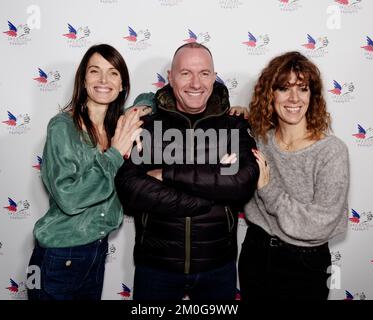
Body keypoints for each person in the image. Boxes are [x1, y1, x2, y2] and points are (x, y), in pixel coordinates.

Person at [115, 43, 259, 301]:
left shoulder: (234, 126)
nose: (196, 83)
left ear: (214, 77)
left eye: (204, 73)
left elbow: (242, 182)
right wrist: (209, 195)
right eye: (185, 73)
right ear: (170, 77)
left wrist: (167, 175)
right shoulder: (147, 126)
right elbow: (129, 187)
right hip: (156, 268)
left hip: (217, 267)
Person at [26, 44, 143, 300]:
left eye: (113, 73)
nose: (103, 80)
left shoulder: (118, 125)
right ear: (83, 79)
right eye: (95, 71)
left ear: (122, 84)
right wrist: (114, 153)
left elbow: (152, 98)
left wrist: (140, 110)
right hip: (59, 255)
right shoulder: (62, 127)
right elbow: (69, 197)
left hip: (96, 251)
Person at [238, 51, 350, 300]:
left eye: (302, 89)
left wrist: (269, 190)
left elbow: (319, 224)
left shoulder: (331, 151)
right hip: (255, 253)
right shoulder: (257, 138)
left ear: (313, 95)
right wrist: (235, 116)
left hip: (304, 264)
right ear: (270, 93)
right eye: (284, 88)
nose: (294, 98)